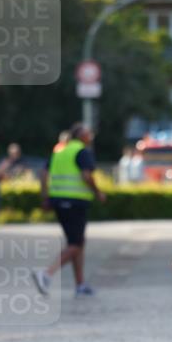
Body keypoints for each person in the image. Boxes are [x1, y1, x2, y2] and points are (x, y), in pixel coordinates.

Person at [33, 123, 106, 297]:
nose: (91, 136)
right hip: (75, 202)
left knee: (77, 242)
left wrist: (45, 197)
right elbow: (86, 176)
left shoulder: (60, 151)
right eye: (88, 133)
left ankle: (80, 284)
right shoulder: (81, 151)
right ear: (81, 137)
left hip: (59, 201)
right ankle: (45, 274)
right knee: (75, 244)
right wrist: (98, 193)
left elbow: (43, 173)